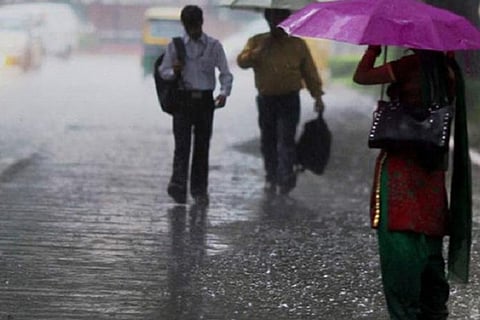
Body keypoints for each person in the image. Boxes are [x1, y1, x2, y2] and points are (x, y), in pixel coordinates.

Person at [353, 45, 463, 319]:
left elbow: (362, 76)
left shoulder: (408, 66)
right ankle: (433, 307)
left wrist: (373, 50)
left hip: (402, 166)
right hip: (431, 170)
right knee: (430, 237)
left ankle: (405, 310)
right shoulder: (449, 70)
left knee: (399, 240)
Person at [237, 8, 325, 196]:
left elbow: (309, 72)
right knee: (268, 139)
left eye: (281, 19)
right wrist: (257, 52)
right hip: (266, 99)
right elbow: (242, 62)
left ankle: (285, 176)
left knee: (286, 139)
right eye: (273, 19)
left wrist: (317, 96)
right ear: (267, 20)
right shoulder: (257, 41)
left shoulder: (297, 44)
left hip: (289, 99)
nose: (277, 24)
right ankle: (271, 175)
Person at [159, 5, 233, 205]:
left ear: (202, 23)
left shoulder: (214, 46)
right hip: (183, 100)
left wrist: (224, 92)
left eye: (196, 25)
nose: (193, 30)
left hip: (205, 102)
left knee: (202, 147)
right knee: (181, 146)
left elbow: (225, 72)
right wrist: (174, 71)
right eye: (189, 26)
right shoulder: (175, 46)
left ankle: (199, 190)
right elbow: (163, 71)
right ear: (184, 25)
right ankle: (178, 185)